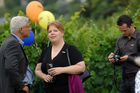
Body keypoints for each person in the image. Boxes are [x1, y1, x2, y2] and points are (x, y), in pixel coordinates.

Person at [35, 21, 85, 93]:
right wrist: (44, 76)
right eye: (49, 31)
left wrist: (62, 70)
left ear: (62, 33)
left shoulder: (70, 49)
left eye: (55, 30)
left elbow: (81, 67)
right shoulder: (45, 51)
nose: (52, 33)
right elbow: (37, 70)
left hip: (68, 90)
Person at [108, 15, 140, 93]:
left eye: (125, 30)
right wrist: (113, 59)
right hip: (124, 78)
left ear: (131, 25)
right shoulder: (120, 39)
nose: (123, 33)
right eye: (121, 31)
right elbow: (119, 60)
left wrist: (128, 58)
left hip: (138, 78)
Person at [0, 16, 33, 93]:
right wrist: (22, 86)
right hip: (16, 89)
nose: (30, 29)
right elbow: (10, 67)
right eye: (28, 26)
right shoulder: (13, 43)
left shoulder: (11, 41)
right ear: (21, 29)